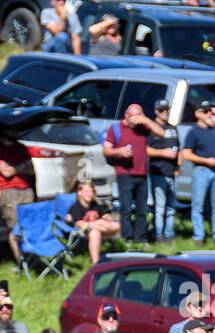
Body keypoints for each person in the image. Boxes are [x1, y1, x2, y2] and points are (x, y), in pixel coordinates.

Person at [101, 104, 163, 245]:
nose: (137, 120)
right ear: (127, 115)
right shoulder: (115, 128)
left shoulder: (143, 127)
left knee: (142, 209)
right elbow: (106, 150)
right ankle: (127, 238)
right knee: (126, 208)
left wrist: (146, 120)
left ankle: (141, 239)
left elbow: (161, 133)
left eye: (139, 116)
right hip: (124, 173)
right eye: (135, 117)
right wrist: (118, 151)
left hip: (141, 174)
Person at [179, 102, 215, 243]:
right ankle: (199, 237)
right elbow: (186, 154)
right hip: (201, 171)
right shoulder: (193, 131)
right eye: (206, 112)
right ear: (198, 114)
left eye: (210, 112)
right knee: (197, 206)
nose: (209, 115)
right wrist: (206, 161)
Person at [0, 137, 35, 263]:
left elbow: (32, 169)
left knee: (29, 226)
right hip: (9, 192)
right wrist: (23, 166)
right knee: (15, 228)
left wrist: (14, 168)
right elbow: (6, 173)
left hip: (27, 190)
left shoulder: (22, 147)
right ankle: (20, 261)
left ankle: (31, 257)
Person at [63, 179, 120, 264]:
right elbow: (79, 223)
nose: (89, 194)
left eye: (91, 191)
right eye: (86, 191)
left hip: (102, 229)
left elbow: (103, 217)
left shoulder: (96, 205)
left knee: (117, 225)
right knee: (95, 233)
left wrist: (106, 218)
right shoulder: (76, 207)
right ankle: (95, 263)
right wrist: (98, 223)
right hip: (84, 232)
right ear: (80, 193)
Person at [146, 99, 179, 242]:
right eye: (162, 110)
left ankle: (169, 235)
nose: (165, 112)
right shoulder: (151, 129)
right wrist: (163, 153)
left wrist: (179, 166)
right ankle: (159, 235)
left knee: (171, 208)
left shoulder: (173, 128)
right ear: (156, 112)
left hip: (172, 172)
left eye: (167, 110)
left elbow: (179, 148)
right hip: (158, 172)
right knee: (159, 208)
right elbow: (145, 149)